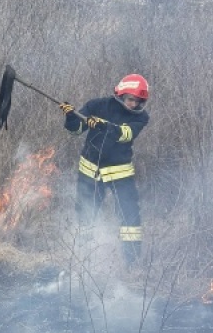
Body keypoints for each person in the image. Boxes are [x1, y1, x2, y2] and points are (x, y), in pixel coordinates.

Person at [60, 74, 149, 264]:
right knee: (86, 214)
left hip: (120, 174)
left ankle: (132, 263)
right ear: (121, 95)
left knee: (130, 217)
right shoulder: (97, 106)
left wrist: (103, 125)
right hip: (90, 171)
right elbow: (75, 130)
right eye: (130, 99)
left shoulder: (141, 117)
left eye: (138, 101)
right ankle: (83, 259)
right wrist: (71, 117)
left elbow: (125, 134)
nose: (133, 104)